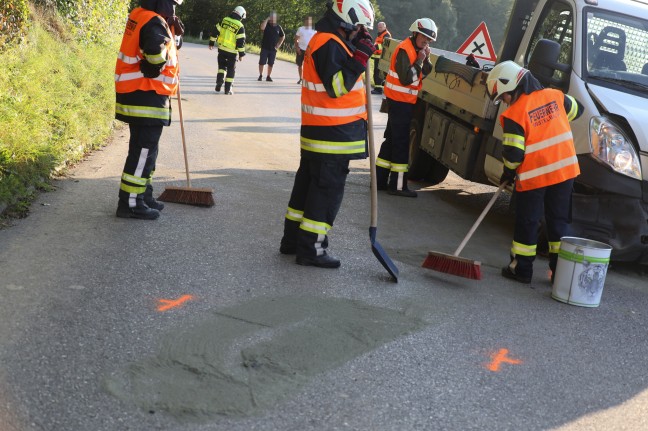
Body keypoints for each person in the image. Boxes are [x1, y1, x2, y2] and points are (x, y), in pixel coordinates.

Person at [279, 0, 376, 269]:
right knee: (325, 194)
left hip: (321, 132)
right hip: (332, 136)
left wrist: (359, 49)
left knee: (306, 189)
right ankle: (313, 249)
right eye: (357, 27)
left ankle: (293, 240)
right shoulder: (329, 43)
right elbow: (336, 86)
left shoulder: (329, 40)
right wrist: (360, 59)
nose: (359, 31)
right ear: (345, 21)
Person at [485, 60, 584, 284]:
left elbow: (513, 155)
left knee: (528, 222)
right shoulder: (555, 96)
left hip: (535, 177)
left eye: (503, 97)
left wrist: (508, 173)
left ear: (512, 87)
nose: (504, 102)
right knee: (559, 222)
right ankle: (560, 274)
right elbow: (579, 109)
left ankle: (521, 269)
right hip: (564, 173)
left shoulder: (514, 115)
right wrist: (552, 118)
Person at [114, 0, 184, 220]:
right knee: (143, 151)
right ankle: (131, 204)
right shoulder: (153, 21)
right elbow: (154, 51)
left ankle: (144, 194)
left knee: (146, 151)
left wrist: (172, 33)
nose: (173, 9)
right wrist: (155, 65)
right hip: (146, 93)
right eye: (171, 4)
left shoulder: (141, 14)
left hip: (141, 94)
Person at [376, 18, 436, 197]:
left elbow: (423, 73)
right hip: (399, 102)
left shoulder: (417, 50)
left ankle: (379, 181)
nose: (425, 42)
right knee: (401, 144)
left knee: (392, 140)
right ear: (415, 34)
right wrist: (419, 61)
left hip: (402, 102)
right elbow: (406, 78)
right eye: (423, 39)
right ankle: (398, 186)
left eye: (428, 41)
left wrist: (426, 59)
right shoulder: (405, 49)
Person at [209, 6, 246, 95]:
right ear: (241, 15)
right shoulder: (240, 26)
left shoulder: (224, 20)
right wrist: (241, 54)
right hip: (232, 52)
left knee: (221, 67)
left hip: (221, 49)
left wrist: (211, 42)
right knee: (231, 70)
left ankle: (219, 81)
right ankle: (227, 89)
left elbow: (215, 31)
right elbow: (241, 41)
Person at [258, 11, 285, 82]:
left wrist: (279, 44)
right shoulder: (266, 25)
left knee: (271, 63)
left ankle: (268, 76)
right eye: (272, 17)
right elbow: (262, 28)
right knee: (262, 62)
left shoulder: (278, 27)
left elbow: (282, 36)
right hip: (265, 47)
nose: (273, 19)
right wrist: (267, 19)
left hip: (273, 49)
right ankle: (260, 75)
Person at [294, 16, 316, 85]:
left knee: (309, 66)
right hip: (301, 49)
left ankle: (308, 79)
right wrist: (297, 48)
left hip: (309, 51)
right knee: (299, 64)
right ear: (305, 21)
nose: (308, 22)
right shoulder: (301, 29)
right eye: (307, 20)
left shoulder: (314, 31)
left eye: (309, 20)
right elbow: (296, 39)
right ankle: (301, 78)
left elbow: (315, 41)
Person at [370, 21, 391, 95]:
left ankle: (379, 90)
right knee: (377, 73)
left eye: (381, 27)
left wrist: (373, 47)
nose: (379, 28)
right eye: (378, 27)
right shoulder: (380, 35)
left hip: (381, 58)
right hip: (378, 57)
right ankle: (378, 88)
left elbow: (385, 46)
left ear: (385, 27)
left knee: (378, 73)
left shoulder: (386, 35)